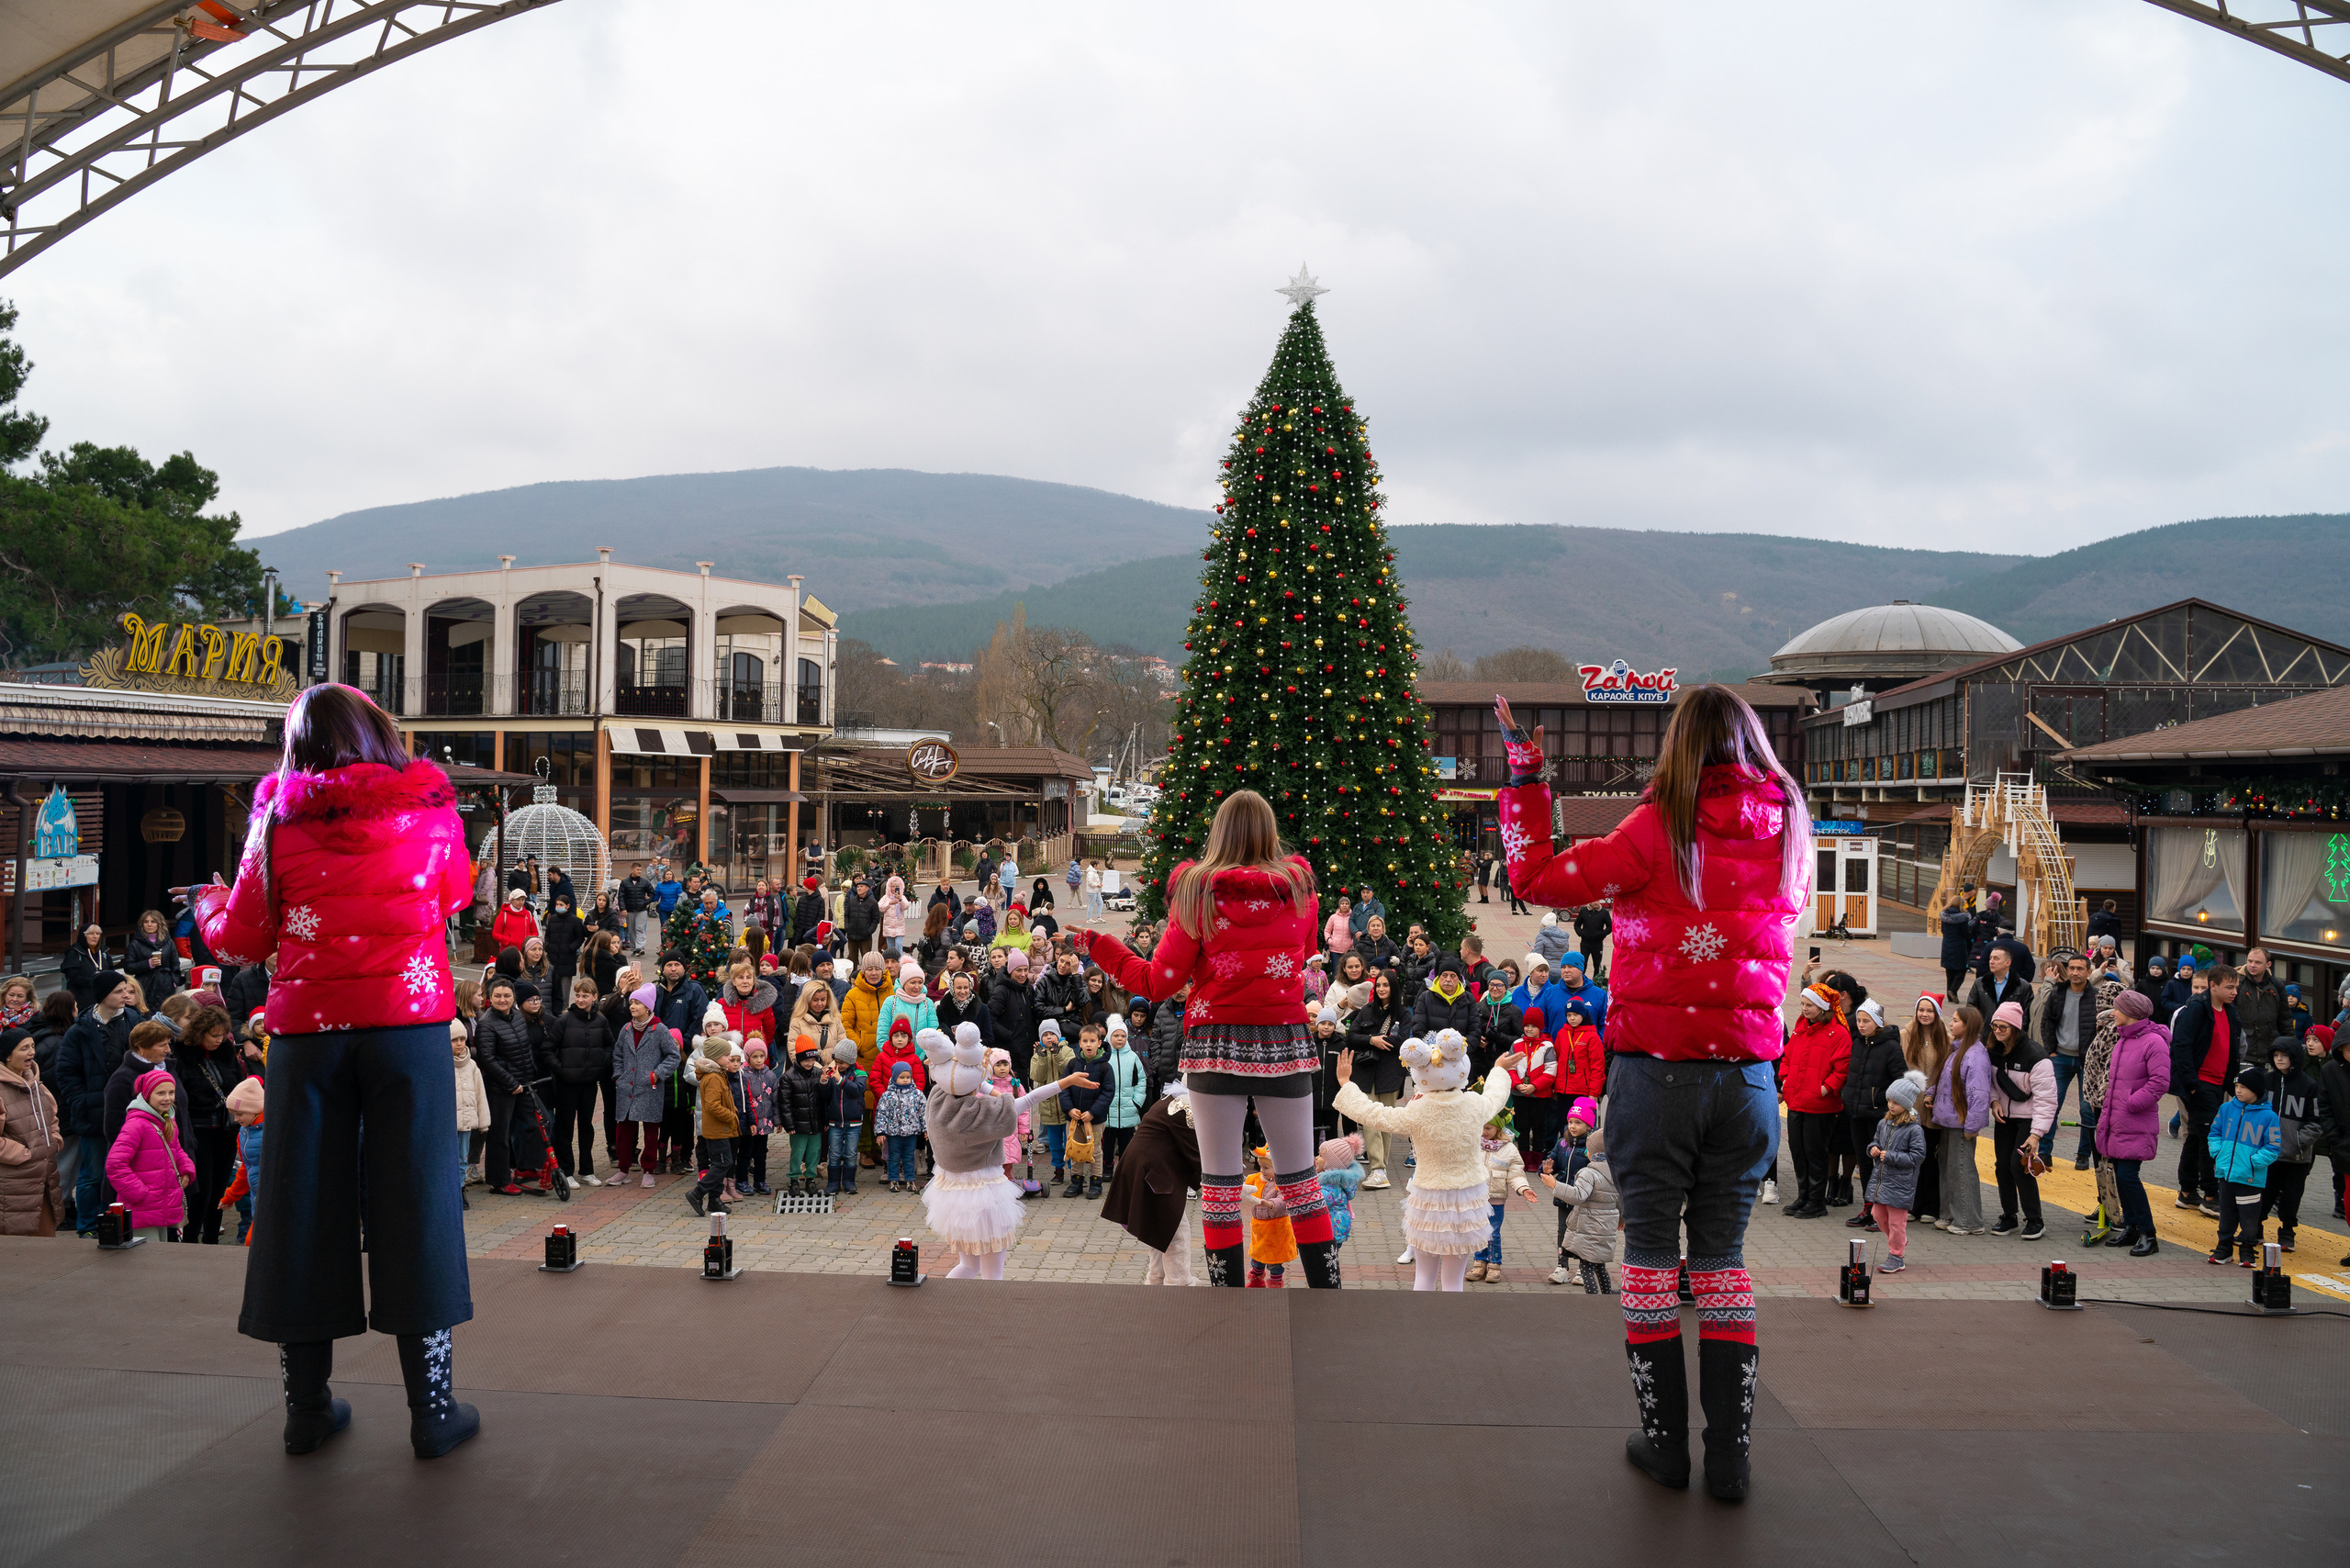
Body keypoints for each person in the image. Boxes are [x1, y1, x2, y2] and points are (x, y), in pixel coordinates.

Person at [1494, 685, 1807, 1501]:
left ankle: (1666, 1446)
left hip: (1655, 1071)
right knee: (1722, 1263)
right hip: (1747, 1078)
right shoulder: (1790, 828)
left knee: (1649, 1257)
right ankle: (1732, 1461)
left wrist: (1528, 778)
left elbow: (1535, 878)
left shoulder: (1655, 827)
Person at [189, 689, 480, 1454]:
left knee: (299, 1206)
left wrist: (207, 903)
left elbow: (243, 940)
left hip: (309, 1037)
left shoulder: (274, 821)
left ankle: (307, 1409)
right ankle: (433, 1412)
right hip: (410, 1030)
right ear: (378, 732)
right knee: (416, 1202)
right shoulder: (434, 812)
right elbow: (456, 893)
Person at [1075, 790, 1334, 1287]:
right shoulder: (1300, 891)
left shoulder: (1196, 894)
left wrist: (1097, 943)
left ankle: (1225, 1299)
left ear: (1218, 833)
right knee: (1301, 1180)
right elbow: (1303, 953)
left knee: (1219, 1182)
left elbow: (1157, 983)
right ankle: (1328, 1292)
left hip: (1215, 1043)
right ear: (1270, 832)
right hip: (1285, 1041)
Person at [1335, 1030, 1515, 1290]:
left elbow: (1375, 1114)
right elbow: (1496, 1096)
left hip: (1428, 1197)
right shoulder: (1474, 1104)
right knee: (1454, 1280)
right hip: (1467, 1198)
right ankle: (1450, 1327)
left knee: (1424, 1276)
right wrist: (1498, 1069)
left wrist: (1346, 1084)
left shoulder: (1417, 1109)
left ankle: (1423, 1323)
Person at [918, 1025, 1095, 1279]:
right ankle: (994, 1313)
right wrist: (1066, 1081)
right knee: (992, 1273)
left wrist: (986, 1085)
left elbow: (962, 1084)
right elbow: (1030, 1099)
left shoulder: (937, 1099)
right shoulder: (984, 1113)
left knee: (969, 1265)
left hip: (951, 1193)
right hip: (985, 1194)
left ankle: (946, 1303)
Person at [1102, 1081, 1203, 1285]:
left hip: (1146, 1171)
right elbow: (1196, 1155)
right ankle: (1179, 1282)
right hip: (1152, 1175)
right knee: (1176, 1233)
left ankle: (1156, 1279)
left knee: (1158, 1228)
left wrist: (1203, 1184)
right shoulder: (1186, 1107)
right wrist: (1224, 1185)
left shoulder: (1173, 1100)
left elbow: (1188, 1154)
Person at [2094, 988, 2169, 1256]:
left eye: (2117, 1008)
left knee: (2128, 1176)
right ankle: (2133, 1227)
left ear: (2131, 1013)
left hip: (2135, 1121)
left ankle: (2149, 1233)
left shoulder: (2153, 1042)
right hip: (2119, 1121)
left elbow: (2160, 1082)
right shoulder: (2124, 1039)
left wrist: (2132, 1103)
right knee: (2121, 1176)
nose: (2113, 1013)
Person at [2169, 963, 2244, 1215]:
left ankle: (2188, 1191)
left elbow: (2231, 1049)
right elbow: (2181, 1046)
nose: (2234, 992)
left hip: (2218, 1083)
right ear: (2213, 986)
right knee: (2209, 1139)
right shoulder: (2197, 1009)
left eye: (2236, 987)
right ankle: (2211, 1196)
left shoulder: (2230, 1011)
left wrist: (2232, 1084)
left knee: (2196, 1136)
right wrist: (2192, 1085)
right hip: (2200, 1084)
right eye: (2229, 987)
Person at [171, 1004, 246, 1243]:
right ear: (200, 1033)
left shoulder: (226, 1050)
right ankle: (191, 1238)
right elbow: (182, 1095)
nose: (220, 1040)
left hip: (225, 1130)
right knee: (200, 1191)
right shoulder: (181, 1055)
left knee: (219, 1188)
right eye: (214, 1035)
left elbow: (237, 1082)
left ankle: (212, 1238)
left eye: (223, 1035)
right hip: (198, 1131)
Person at [1986, 1000, 2054, 1241]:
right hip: (2004, 1117)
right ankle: (2009, 1216)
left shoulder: (2036, 1056)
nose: (1997, 1031)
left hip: (2028, 1119)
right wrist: (1994, 1102)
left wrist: (2036, 1134)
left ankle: (2035, 1220)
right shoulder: (1994, 1049)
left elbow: (2047, 1100)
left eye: (2003, 1027)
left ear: (2015, 1027)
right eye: (1995, 1026)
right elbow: (1992, 1082)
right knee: (2002, 1166)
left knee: (2020, 1166)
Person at [1780, 985, 1851, 1219]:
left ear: (1821, 1008)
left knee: (1815, 1152)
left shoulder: (1838, 1034)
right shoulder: (1801, 1031)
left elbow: (1842, 1068)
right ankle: (1804, 1196)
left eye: (1808, 1005)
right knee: (1798, 1151)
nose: (1804, 1009)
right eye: (1802, 1004)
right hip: (1797, 1101)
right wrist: (1785, 1079)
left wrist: (1825, 1088)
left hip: (1820, 1105)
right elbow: (1787, 1058)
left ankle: (1816, 1200)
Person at [2033, 951, 2108, 1170]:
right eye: (2072, 968)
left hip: (2088, 1061)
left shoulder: (2096, 996)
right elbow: (2046, 1023)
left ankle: (2084, 1155)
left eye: (2080, 969)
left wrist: (2095, 1057)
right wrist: (2051, 1050)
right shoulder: (2058, 994)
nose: (2075, 973)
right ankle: (2045, 1153)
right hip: (2061, 1058)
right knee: (2051, 1106)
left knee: (2088, 1110)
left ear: (2089, 972)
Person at [106, 1067, 194, 1245]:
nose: (167, 1098)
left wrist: (187, 1168)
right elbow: (115, 1164)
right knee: (148, 1259)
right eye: (160, 1093)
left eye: (171, 1092)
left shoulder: (167, 1120)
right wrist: (139, 1193)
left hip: (161, 1205)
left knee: (159, 1257)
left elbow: (176, 1150)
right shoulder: (136, 1125)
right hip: (142, 1207)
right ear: (147, 1095)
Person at [2208, 1063, 2282, 1265]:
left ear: (2256, 1090)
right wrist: (2217, 1152)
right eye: (2237, 1086)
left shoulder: (2269, 1116)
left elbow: (2273, 1146)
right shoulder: (2226, 1108)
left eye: (2243, 1087)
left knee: (2249, 1216)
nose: (2238, 1090)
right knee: (2226, 1212)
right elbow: (2214, 1132)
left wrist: (2253, 1162)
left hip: (2250, 1176)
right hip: (2226, 1173)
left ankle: (2248, 1248)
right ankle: (2224, 1246)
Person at [545, 977, 614, 1187]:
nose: (581, 999)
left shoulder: (601, 1021)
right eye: (578, 995)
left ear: (595, 997)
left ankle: (587, 1170)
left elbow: (611, 1047)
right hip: (567, 1084)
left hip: (589, 1084)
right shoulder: (564, 1020)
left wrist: (600, 1064)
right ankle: (566, 1171)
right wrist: (561, 1070)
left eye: (585, 996)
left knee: (587, 1126)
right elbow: (547, 1049)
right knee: (565, 1128)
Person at [1930, 1003, 1993, 1237]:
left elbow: (1979, 1094)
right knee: (1948, 1170)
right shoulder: (1957, 1050)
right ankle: (1950, 1214)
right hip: (1948, 1120)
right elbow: (1944, 1078)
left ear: (1968, 1026)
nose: (1951, 1023)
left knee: (1962, 1170)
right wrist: (1931, 1095)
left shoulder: (1975, 1056)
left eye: (1956, 1020)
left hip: (1961, 1123)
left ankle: (1969, 1220)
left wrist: (1972, 1126)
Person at [1862, 1070, 1930, 1274]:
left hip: (1901, 1184)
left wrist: (1890, 1156)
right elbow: (1875, 1141)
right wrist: (1872, 1149)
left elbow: (1917, 1157)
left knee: (1896, 1222)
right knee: (1877, 1215)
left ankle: (1896, 1256)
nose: (1891, 1105)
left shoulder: (1914, 1129)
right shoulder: (1883, 1123)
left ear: (1907, 1105)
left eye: (1896, 1102)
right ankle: (1898, 1242)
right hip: (1883, 1181)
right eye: (1890, 1101)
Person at [0, 1026, 65, 1236]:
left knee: (46, 1248)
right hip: (13, 1188)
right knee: (19, 1253)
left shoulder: (38, 1086)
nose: (32, 1053)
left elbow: (52, 1118)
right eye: (24, 1048)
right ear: (8, 1055)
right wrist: (24, 1153)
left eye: (32, 1046)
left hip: (45, 1181)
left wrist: (54, 1141)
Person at [2263, 1037, 2324, 1251]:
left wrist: (2299, 1142)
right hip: (2268, 1153)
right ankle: (2256, 1227)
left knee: (2291, 1197)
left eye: (2284, 1055)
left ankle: (2287, 1232)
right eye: (2276, 1055)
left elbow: (2316, 1120)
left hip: (2297, 1156)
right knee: (2264, 1193)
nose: (2279, 1059)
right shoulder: (2266, 1081)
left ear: (2294, 1058)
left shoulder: (2308, 1085)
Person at [687, 1042, 744, 1216]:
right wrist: (731, 1116)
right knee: (722, 1163)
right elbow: (712, 1106)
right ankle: (697, 1193)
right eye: (727, 1055)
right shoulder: (712, 1078)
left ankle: (714, 1200)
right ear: (716, 1057)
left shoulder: (718, 1074)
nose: (729, 1059)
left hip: (722, 1129)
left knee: (722, 1164)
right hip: (717, 1130)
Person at [1099, 1014, 1149, 1182]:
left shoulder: (1133, 1058)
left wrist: (1137, 1102)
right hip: (1108, 1111)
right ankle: (1107, 1168)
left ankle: (1125, 1169)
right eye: (1115, 1035)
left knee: (1127, 1144)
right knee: (1107, 1143)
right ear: (1109, 1037)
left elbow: (1141, 1080)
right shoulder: (1103, 1058)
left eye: (1122, 1036)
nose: (1119, 1039)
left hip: (1129, 1109)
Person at [1244, 1144, 1299, 1288]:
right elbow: (1245, 1184)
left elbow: (1284, 1200)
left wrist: (1269, 1204)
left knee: (1274, 1262)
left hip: (1276, 1229)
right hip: (1259, 1228)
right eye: (1260, 1167)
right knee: (1257, 1257)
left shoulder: (1281, 1183)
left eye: (1266, 1168)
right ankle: (1256, 1279)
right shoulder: (1257, 1178)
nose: (1262, 1171)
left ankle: (1275, 1283)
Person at [126, 909, 183, 1013]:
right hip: (144, 985)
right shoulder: (135, 944)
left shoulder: (168, 942)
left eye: (153, 922)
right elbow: (128, 967)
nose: (149, 924)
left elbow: (175, 963)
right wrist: (148, 964)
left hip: (166, 985)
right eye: (146, 922)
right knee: (145, 1015)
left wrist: (174, 980)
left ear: (159, 924)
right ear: (142, 925)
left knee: (166, 1013)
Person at [62, 925, 113, 1012]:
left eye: (97, 934)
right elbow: (73, 977)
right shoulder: (75, 952)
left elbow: (112, 972)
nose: (95, 936)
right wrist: (95, 981)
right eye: (91, 933)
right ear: (84, 935)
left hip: (103, 1000)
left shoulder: (104, 952)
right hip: (81, 1001)